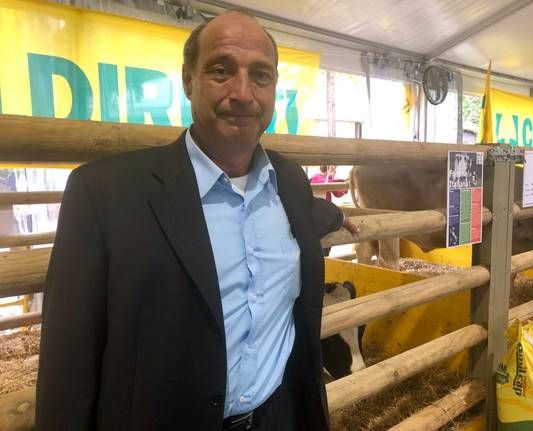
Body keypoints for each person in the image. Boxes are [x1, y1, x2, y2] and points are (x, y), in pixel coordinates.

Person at [36, 10, 358, 431]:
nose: (243, 93)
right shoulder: (104, 195)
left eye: (260, 75)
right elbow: (67, 367)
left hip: (279, 417)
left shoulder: (289, 182)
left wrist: (339, 214)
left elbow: (306, 214)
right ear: (188, 80)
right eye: (221, 71)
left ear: (274, 88)